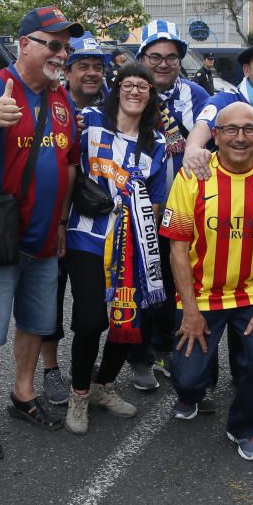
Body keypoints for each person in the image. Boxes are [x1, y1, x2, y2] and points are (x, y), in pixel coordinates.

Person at [0, 6, 83, 460]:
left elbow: (69, 165)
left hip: (47, 238)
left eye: (65, 46)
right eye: (53, 44)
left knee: (35, 324)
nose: (61, 53)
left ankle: (23, 394)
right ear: (25, 44)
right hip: (1, 237)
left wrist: (64, 221)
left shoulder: (61, 97)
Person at [161, 101, 253, 461]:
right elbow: (177, 250)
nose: (240, 138)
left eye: (249, 130)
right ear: (216, 136)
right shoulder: (193, 174)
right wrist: (189, 310)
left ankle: (245, 427)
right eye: (230, 130)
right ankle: (189, 393)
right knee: (189, 378)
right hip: (202, 295)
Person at [63, 62, 168, 434]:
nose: (136, 91)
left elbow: (156, 204)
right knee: (92, 320)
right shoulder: (89, 121)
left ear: (152, 96)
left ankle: (103, 386)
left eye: (145, 86)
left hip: (131, 246)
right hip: (85, 236)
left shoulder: (156, 147)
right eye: (130, 84)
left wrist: (148, 248)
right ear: (118, 87)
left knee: (127, 322)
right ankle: (78, 394)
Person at [127, 19, 210, 392]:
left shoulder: (196, 95)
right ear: (142, 57)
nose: (163, 64)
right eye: (155, 56)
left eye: (171, 57)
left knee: (179, 282)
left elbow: (222, 122)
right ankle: (139, 354)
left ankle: (168, 347)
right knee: (140, 283)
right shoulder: (127, 92)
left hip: (185, 209)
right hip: (137, 207)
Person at [41, 31, 112, 406]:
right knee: (48, 297)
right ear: (66, 72)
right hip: (53, 217)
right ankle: (51, 369)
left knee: (93, 305)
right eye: (82, 66)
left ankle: (90, 373)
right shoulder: (50, 102)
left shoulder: (113, 108)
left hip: (95, 225)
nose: (90, 73)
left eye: (97, 67)